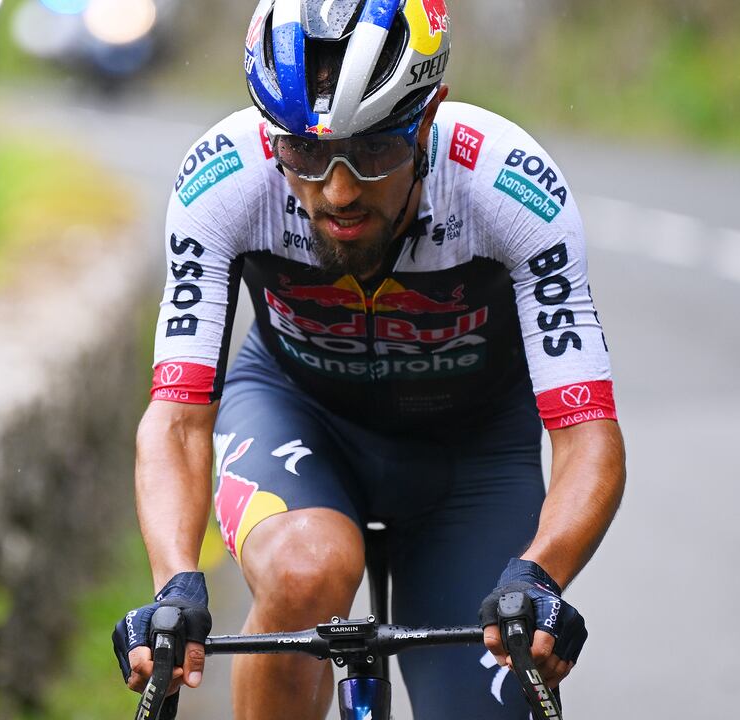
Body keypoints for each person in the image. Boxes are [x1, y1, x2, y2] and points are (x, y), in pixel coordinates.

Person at [112, 1, 626, 717]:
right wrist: (175, 585)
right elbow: (175, 422)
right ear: (270, 137)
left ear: (429, 116)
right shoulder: (222, 182)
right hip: (298, 414)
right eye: (305, 153)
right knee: (304, 573)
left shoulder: (510, 188)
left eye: (377, 149)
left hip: (471, 454)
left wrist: (541, 577)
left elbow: (588, 436)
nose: (340, 189)